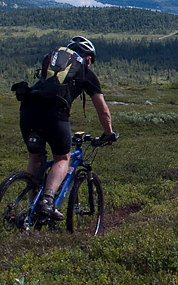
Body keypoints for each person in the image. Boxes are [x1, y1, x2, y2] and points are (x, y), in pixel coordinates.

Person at [16, 36, 117, 220]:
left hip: (28, 110)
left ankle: (32, 207)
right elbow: (102, 109)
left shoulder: (53, 63)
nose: (90, 63)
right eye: (91, 59)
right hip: (54, 113)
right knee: (62, 158)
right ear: (87, 57)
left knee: (35, 157)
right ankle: (47, 201)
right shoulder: (85, 71)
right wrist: (108, 133)